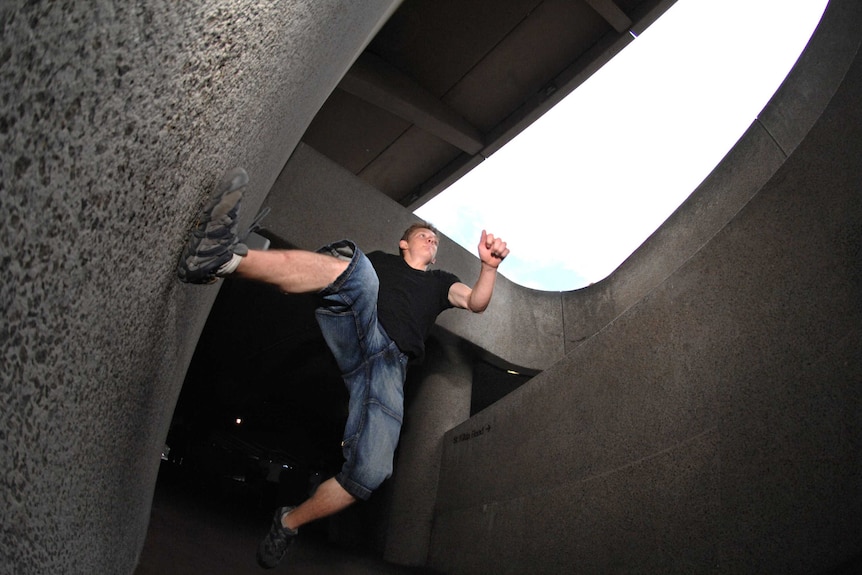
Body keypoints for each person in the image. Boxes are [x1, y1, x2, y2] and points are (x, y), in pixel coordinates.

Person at [177, 167, 509, 569]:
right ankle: (220, 260)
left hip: (390, 369)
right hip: (361, 329)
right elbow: (345, 278)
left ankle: (288, 522)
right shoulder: (384, 262)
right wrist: (304, 276)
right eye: (423, 234)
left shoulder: (440, 282)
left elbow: (474, 302)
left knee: (371, 472)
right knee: (356, 271)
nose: (431, 239)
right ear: (404, 244)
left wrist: (488, 267)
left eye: (434, 239)